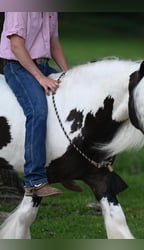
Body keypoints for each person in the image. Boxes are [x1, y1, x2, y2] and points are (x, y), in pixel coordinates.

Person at [0, 12, 68, 197]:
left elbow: (54, 43)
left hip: (43, 65)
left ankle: (62, 169)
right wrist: (40, 78)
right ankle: (34, 180)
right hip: (18, 67)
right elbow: (16, 46)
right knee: (37, 111)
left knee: (72, 103)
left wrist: (68, 75)